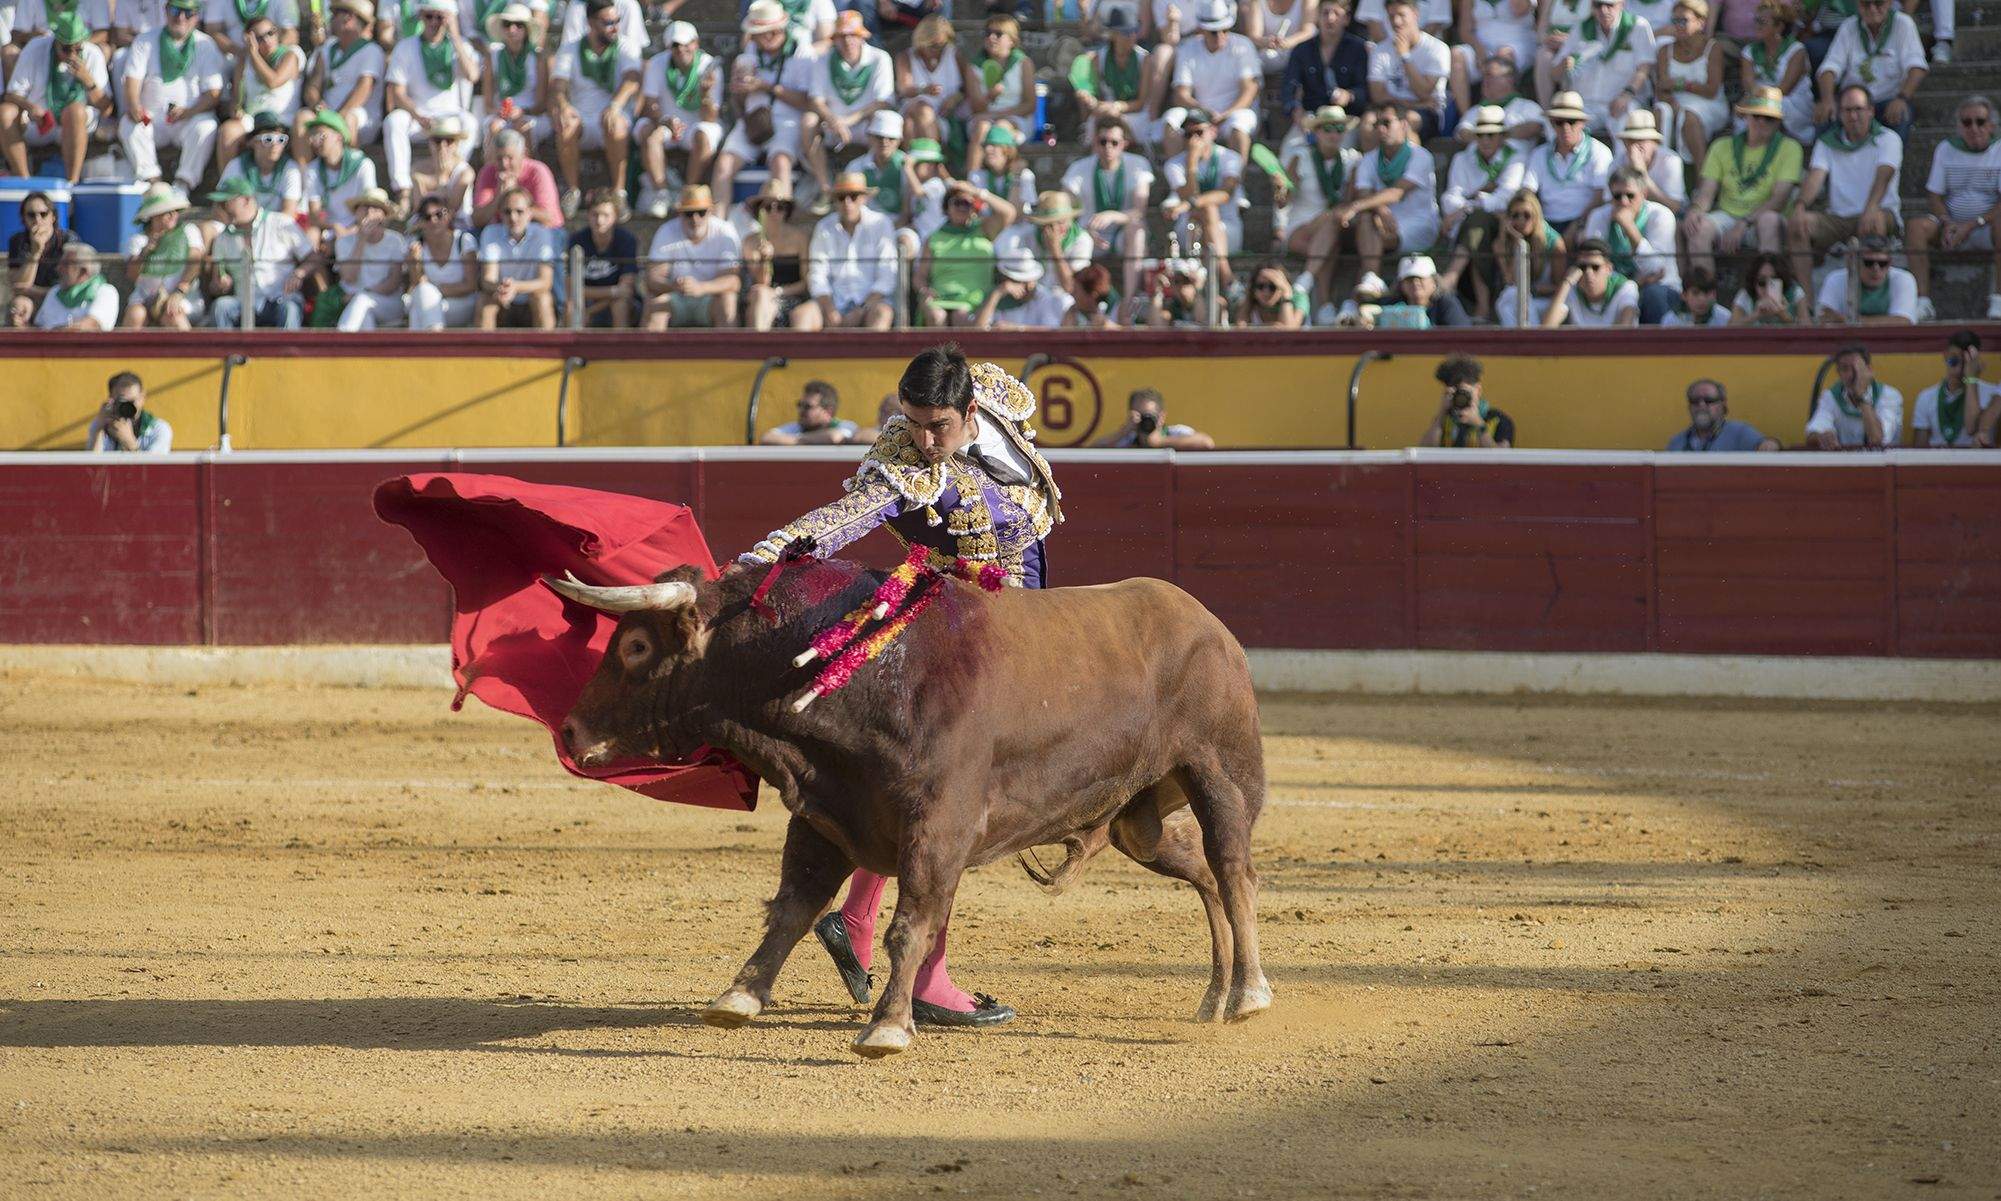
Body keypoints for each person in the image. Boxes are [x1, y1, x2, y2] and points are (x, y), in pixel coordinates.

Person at [747, 346, 1064, 1030]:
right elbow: (847, 516)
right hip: (965, 625)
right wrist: (774, 553)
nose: (924, 440)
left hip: (1019, 605)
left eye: (938, 427)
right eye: (912, 424)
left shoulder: (995, 397)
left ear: (970, 409)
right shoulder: (903, 467)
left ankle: (858, 920)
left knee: (949, 789)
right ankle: (925, 974)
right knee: (955, 793)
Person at [1786, 84, 1900, 291]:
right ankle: (1807, 300)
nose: (1853, 116)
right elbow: (1815, 177)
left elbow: (1884, 175)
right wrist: (1800, 205)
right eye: (1847, 110)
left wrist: (1871, 207)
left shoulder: (1888, 139)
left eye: (1858, 109)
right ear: (1839, 114)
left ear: (1870, 111)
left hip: (1879, 213)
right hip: (1838, 218)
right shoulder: (1827, 142)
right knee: (1797, 224)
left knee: (1875, 221)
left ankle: (1870, 295)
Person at [1680, 86, 1799, 278]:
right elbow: (1706, 193)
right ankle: (1705, 293)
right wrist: (1695, 210)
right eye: (1755, 116)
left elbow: (1779, 200)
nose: (1761, 122)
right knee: (1698, 227)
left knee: (1769, 220)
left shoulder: (1790, 148)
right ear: (1746, 117)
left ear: (1777, 123)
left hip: (1762, 218)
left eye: (1768, 119)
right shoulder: (1722, 146)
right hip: (1728, 214)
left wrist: (1744, 223)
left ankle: (1770, 292)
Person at [711, 0, 813, 221]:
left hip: (788, 121)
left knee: (780, 162)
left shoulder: (802, 52)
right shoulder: (748, 52)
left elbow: (808, 102)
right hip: (753, 121)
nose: (763, 37)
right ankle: (718, 230)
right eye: (759, 32)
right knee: (723, 164)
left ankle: (781, 227)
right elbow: (738, 107)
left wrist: (766, 87)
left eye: (768, 31)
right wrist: (739, 92)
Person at [1905, 96, 2001, 323]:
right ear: (1959, 126)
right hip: (1952, 226)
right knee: (1916, 227)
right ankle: (1922, 302)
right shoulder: (1945, 149)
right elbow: (1935, 195)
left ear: (1991, 126)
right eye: (1967, 122)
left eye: (1980, 121)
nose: (1974, 128)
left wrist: (1973, 223)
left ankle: (1998, 298)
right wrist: (1947, 222)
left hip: (1986, 227)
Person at [380, 0, 478, 212]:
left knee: (470, 122)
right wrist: (417, 115)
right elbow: (397, 92)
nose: (434, 22)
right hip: (419, 117)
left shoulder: (460, 47)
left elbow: (472, 75)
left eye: (440, 17)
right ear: (421, 17)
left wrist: (456, 37)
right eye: (429, 16)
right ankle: (403, 190)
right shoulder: (405, 47)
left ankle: (452, 176)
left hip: (449, 117)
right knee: (393, 121)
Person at [1332, 101, 1437, 299]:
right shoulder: (1369, 159)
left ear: (1404, 125)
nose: (1381, 128)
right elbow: (1364, 192)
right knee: (1366, 218)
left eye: (1387, 123)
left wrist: (1355, 206)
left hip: (1418, 225)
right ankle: (1371, 279)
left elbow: (1397, 192)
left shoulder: (1421, 156)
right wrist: (1379, 209)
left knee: (1365, 218)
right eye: (1377, 124)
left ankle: (1365, 286)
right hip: (1379, 222)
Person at [119, 0, 224, 196]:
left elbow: (214, 93)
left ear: (197, 16)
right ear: (166, 11)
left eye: (188, 12)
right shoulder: (145, 40)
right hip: (152, 119)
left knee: (207, 125)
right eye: (176, 10)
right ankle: (154, 184)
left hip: (187, 120)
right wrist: (134, 105)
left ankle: (182, 186)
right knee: (128, 124)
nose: (181, 17)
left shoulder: (206, 44)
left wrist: (188, 112)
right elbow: (132, 80)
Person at [548, 0, 642, 216]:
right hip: (582, 115)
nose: (615, 27)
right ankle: (573, 191)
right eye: (608, 23)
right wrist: (563, 105)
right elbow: (558, 85)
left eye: (617, 21)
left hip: (614, 114)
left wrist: (615, 105)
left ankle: (619, 193)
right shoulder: (571, 48)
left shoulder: (626, 46)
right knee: (566, 122)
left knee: (616, 124)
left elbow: (633, 79)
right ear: (591, 23)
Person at [0, 11, 110, 185]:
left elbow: (107, 109)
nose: (72, 55)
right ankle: (24, 182)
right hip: (40, 122)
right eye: (66, 49)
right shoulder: (36, 48)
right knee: (5, 112)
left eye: (77, 49)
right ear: (55, 41)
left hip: (77, 125)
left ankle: (71, 185)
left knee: (75, 111)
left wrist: (88, 80)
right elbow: (11, 94)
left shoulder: (92, 54)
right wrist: (30, 107)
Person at [803, 10, 894, 208]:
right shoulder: (823, 60)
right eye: (842, 36)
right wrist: (834, 121)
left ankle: (870, 186)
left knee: (883, 121)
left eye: (852, 35)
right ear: (834, 39)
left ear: (862, 36)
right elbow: (815, 100)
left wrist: (848, 121)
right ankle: (825, 188)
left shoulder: (879, 58)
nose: (847, 41)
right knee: (808, 120)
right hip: (833, 123)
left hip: (864, 123)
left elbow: (884, 101)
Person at [636, 21, 723, 219]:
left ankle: (688, 191)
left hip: (697, 124)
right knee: (650, 134)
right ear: (669, 47)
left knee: (704, 133)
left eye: (687, 44)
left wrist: (705, 93)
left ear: (696, 43)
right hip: (667, 123)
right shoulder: (657, 63)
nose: (682, 49)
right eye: (676, 45)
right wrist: (665, 120)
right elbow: (650, 103)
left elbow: (710, 117)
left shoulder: (710, 66)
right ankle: (661, 192)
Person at [1063, 115, 1154, 300]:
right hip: (1089, 234)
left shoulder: (1138, 165)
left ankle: (1129, 300)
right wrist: (1085, 230)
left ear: (1124, 143)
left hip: (1122, 235)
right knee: (1078, 239)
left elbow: (1139, 211)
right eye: (1102, 142)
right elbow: (1064, 209)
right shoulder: (1079, 168)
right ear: (1095, 143)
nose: (1108, 148)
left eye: (1114, 142)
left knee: (1137, 230)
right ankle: (1077, 300)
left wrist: (1113, 216)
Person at [206, 174, 315, 328]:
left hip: (280, 298)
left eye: (226, 203)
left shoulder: (280, 223)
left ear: (245, 200)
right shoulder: (223, 237)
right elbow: (216, 282)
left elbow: (313, 257)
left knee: (289, 309)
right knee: (221, 307)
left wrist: (299, 273)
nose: (221, 209)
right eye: (220, 204)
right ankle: (229, 352)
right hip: (242, 302)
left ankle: (287, 352)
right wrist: (220, 285)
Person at [1278, 104, 1356, 315]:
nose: (1334, 134)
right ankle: (1322, 301)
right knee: (1331, 228)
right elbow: (1286, 199)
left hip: (1331, 230)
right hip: (1300, 228)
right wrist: (1281, 191)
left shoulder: (1352, 159)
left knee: (1330, 238)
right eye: (1328, 128)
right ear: (1317, 131)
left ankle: (1318, 297)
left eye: (1339, 129)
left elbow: (1349, 202)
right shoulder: (1300, 156)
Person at [799, 171, 896, 330]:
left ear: (865, 198)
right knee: (802, 315)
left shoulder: (881, 224)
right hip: (832, 302)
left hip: (870, 303)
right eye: (841, 197)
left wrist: (861, 310)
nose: (847, 202)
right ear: (834, 200)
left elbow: (887, 279)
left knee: (882, 313)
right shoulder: (824, 227)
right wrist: (830, 310)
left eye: (853, 196)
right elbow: (817, 274)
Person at [1165, 0, 1261, 160]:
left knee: (1240, 122)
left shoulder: (1244, 46)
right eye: (1214, 31)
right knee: (1171, 118)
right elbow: (1181, 95)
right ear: (1202, 30)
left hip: (1233, 113)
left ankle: (1236, 181)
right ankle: (1179, 179)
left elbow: (1250, 90)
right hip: (1199, 115)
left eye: (1225, 29)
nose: (1221, 35)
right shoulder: (1188, 48)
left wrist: (1225, 114)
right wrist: (1204, 113)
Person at [1582, 163, 1678, 322]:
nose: (1623, 202)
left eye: (1630, 195)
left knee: (1653, 294)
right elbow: (1593, 265)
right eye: (1617, 196)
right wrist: (1633, 283)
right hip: (1617, 288)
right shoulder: (1598, 217)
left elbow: (1656, 269)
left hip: (1660, 288)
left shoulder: (1661, 215)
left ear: (1644, 194)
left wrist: (1629, 227)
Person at [1813, 0, 1922, 140]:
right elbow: (1830, 67)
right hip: (1852, 101)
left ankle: (1892, 161)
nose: (1872, 9)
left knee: (1901, 113)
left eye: (1878, 3)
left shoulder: (1903, 23)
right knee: (1825, 115)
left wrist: (1902, 98)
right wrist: (1827, 99)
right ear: (1858, 5)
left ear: (1889, 3)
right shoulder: (1849, 26)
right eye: (1866, 4)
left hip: (1887, 100)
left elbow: (1916, 67)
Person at [643, 184, 742, 330]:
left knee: (728, 300)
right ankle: (648, 353)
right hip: (674, 295)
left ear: (710, 211)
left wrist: (701, 287)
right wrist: (674, 286)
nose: (695, 219)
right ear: (680, 213)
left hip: (711, 297)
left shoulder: (725, 231)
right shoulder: (666, 231)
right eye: (689, 213)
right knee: (655, 303)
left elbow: (733, 281)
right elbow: (652, 279)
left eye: (701, 212)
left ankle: (726, 353)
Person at [1551, 0, 1655, 137]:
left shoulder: (1637, 26)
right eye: (1598, 5)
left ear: (1622, 4)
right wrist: (1564, 65)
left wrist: (1626, 95)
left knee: (1628, 125)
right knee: (1557, 126)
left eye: (1609, 5)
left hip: (1620, 101)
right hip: (1585, 104)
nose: (1603, 10)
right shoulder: (1581, 28)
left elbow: (1644, 69)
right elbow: (1554, 75)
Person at [297, 0, 385, 158]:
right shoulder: (328, 48)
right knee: (302, 117)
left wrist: (336, 118)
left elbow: (363, 89)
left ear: (349, 18)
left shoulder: (372, 50)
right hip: (327, 113)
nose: (331, 19)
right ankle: (305, 175)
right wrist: (316, 104)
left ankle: (352, 170)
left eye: (335, 14)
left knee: (350, 119)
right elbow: (313, 86)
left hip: (359, 116)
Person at [915, 179, 1007, 328]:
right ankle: (937, 352)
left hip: (975, 300)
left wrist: (977, 192)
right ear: (947, 206)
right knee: (936, 316)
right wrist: (924, 291)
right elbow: (920, 276)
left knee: (961, 316)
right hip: (940, 298)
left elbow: (1008, 212)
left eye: (967, 204)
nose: (962, 208)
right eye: (957, 203)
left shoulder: (984, 229)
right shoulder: (933, 238)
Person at [1523, 90, 1613, 237]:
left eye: (1571, 122)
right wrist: (1537, 222)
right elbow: (1527, 192)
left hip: (1584, 222)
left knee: (1587, 237)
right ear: (1552, 124)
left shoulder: (1599, 152)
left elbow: (1601, 196)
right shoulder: (1539, 154)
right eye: (1559, 122)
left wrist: (1578, 224)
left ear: (1582, 123)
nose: (1566, 128)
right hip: (1545, 223)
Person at [1440, 104, 1525, 251]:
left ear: (1502, 136)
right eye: (1480, 135)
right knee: (1476, 221)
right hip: (1465, 224)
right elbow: (1449, 199)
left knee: (1478, 220)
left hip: (1499, 226)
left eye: (1490, 135)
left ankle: (1454, 272)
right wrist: (1478, 202)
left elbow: (1505, 199)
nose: (1485, 140)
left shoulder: (1516, 158)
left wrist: (1467, 206)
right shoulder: (1461, 158)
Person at [122, 184, 206, 329]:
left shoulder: (189, 231)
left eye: (174, 210)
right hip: (144, 299)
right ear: (152, 216)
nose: (173, 215)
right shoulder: (138, 240)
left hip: (184, 299)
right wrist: (145, 252)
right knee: (135, 315)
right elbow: (132, 275)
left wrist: (180, 291)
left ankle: (192, 351)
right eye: (166, 211)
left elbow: (196, 260)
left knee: (173, 315)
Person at [1652, 0, 1723, 171]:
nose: (1677, 25)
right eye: (1674, 21)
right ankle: (1658, 172)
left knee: (1689, 116)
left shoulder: (1713, 48)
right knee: (1660, 111)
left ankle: (1701, 177)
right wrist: (1673, 103)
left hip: (1709, 104)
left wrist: (1681, 84)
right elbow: (1661, 89)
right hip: (1673, 103)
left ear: (1701, 22)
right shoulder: (1664, 50)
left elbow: (1712, 91)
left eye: (1683, 21)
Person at [476, 183, 558, 328]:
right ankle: (483, 351)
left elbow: (546, 282)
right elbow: (487, 280)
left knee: (543, 299)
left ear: (529, 213)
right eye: (507, 212)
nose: (513, 217)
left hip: (530, 298)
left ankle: (548, 350)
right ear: (500, 214)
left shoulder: (542, 233)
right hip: (502, 297)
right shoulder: (490, 232)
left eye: (519, 211)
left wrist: (515, 287)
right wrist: (504, 288)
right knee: (485, 301)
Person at [1069, 7, 1155, 146]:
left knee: (1109, 121)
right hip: (1105, 112)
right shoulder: (1097, 58)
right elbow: (1093, 93)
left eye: (1134, 31)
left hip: (1135, 116)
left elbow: (1141, 103)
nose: (1131, 37)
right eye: (1125, 32)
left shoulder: (1144, 60)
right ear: (1113, 34)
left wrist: (1116, 107)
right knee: (1095, 122)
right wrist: (1089, 99)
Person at [1482, 187, 1567, 324]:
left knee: (1510, 300)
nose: (1521, 221)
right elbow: (1510, 280)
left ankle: (1528, 341)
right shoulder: (1501, 244)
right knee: (1508, 297)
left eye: (1527, 215)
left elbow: (1561, 288)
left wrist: (1531, 290)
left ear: (1536, 217)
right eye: (1515, 216)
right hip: (1521, 300)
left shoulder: (1554, 243)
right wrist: (1517, 242)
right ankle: (1526, 341)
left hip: (1548, 303)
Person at [1366, 0, 1449, 138]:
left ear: (1416, 14)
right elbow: (1378, 96)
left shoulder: (1437, 49)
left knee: (1406, 122)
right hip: (1392, 109)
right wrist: (1416, 104)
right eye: (1391, 16)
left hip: (1428, 115)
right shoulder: (1380, 50)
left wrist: (1405, 56)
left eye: (1401, 15)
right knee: (1368, 123)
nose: (1396, 21)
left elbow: (1423, 91)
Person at [965, 13, 1035, 174]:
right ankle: (972, 182)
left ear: (1012, 40)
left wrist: (999, 114)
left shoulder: (1023, 63)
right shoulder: (973, 66)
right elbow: (976, 107)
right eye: (988, 33)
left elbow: (1030, 105)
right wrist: (990, 96)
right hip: (982, 118)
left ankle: (1005, 181)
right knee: (983, 127)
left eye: (998, 34)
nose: (991, 38)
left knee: (1001, 128)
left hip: (1017, 118)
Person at [331, 186, 409, 329]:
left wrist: (364, 292)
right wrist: (361, 240)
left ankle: (341, 340)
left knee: (362, 300)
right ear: (356, 213)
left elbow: (393, 283)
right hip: (356, 306)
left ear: (384, 216)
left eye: (375, 208)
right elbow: (349, 277)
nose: (369, 212)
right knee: (365, 317)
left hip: (388, 303)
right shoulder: (343, 242)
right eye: (364, 207)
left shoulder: (395, 241)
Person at [1738, 0, 1813, 144]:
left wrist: (1760, 103)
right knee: (1745, 112)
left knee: (1776, 108)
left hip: (1792, 101)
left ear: (1779, 27)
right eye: (1756, 21)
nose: (1757, 26)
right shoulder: (1748, 52)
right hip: (1757, 98)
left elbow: (1784, 89)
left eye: (1762, 22)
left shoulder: (1796, 51)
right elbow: (1748, 84)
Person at [742, 178, 812, 331]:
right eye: (768, 207)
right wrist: (765, 260)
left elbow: (806, 282)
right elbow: (761, 283)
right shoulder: (750, 242)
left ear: (787, 211)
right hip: (761, 300)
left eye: (780, 207)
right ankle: (758, 348)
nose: (774, 212)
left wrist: (778, 292)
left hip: (793, 299)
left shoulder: (800, 238)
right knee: (761, 295)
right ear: (759, 210)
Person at [901, 13, 979, 148]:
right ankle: (931, 162)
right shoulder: (906, 57)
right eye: (933, 45)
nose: (938, 49)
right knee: (922, 109)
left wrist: (955, 99)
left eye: (942, 45)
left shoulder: (955, 54)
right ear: (921, 41)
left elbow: (969, 87)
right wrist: (923, 89)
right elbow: (904, 89)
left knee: (910, 125)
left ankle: (920, 165)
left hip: (946, 116)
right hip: (914, 110)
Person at [406, 188, 480, 329]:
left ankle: (424, 348)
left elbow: (470, 285)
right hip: (433, 304)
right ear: (421, 222)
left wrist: (435, 290)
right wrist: (415, 263)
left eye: (439, 214)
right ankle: (432, 345)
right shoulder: (416, 246)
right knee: (419, 305)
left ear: (449, 215)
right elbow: (417, 284)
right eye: (427, 217)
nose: (433, 220)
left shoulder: (464, 240)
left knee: (422, 301)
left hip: (464, 304)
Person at [1805, 341, 1901, 449]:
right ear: (1839, 373)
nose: (1851, 375)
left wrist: (1862, 395)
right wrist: (1821, 437)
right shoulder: (1830, 397)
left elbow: (1877, 439)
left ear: (1869, 370)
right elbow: (1812, 434)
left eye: (1856, 369)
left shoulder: (1889, 395)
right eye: (1845, 369)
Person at [1909, 330, 1995, 448]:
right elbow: (1919, 448)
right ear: (1945, 356)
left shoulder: (1991, 394)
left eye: (1965, 362)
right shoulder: (1926, 397)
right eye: (1954, 360)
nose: (1959, 369)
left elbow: (1971, 428)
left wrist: (1971, 379)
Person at [302, 106, 379, 236]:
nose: (316, 142)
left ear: (338, 136)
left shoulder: (363, 165)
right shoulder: (312, 169)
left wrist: (349, 231)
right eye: (313, 137)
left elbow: (369, 208)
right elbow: (314, 216)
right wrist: (334, 227)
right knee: (311, 234)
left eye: (321, 136)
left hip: (360, 227)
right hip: (329, 229)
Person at [480, 3, 547, 152]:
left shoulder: (538, 58)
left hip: (530, 114)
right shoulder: (492, 56)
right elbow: (487, 103)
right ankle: (492, 173)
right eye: (507, 24)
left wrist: (522, 112)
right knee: (494, 126)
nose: (512, 29)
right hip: (500, 114)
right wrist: (499, 112)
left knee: (521, 126)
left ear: (527, 29)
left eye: (518, 25)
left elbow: (541, 105)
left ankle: (526, 172)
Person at [1453, 53, 1544, 158]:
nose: (1485, 81)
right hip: (1477, 169)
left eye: (1490, 75)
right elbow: (1463, 133)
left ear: (1509, 79)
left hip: (1516, 166)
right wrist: (1500, 136)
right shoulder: (1476, 110)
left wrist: (1491, 136)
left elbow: (1535, 127)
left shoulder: (1527, 106)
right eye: (1484, 76)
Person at [571, 187, 638, 327]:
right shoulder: (577, 241)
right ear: (588, 215)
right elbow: (572, 289)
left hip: (614, 302)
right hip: (589, 300)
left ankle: (620, 348)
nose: (600, 221)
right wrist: (613, 291)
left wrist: (591, 310)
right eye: (595, 215)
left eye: (606, 215)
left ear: (615, 217)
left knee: (620, 304)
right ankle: (571, 348)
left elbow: (626, 289)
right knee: (570, 307)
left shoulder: (627, 240)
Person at [471, 126, 562, 229]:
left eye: (510, 158)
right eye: (499, 158)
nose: (504, 164)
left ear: (523, 154)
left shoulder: (538, 172)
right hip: (503, 232)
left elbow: (549, 218)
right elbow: (477, 220)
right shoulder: (488, 172)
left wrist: (515, 201)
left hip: (540, 230)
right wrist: (499, 196)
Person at [218, 109, 305, 215]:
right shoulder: (237, 165)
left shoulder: (290, 168)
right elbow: (220, 206)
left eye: (281, 139)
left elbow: (288, 213)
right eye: (268, 139)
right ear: (252, 142)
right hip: (243, 226)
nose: (275, 145)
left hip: (278, 227)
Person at [1815, 234, 1917, 325]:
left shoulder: (1904, 279)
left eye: (1882, 263)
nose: (1876, 269)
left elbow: (1902, 322)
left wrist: (1846, 320)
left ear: (1889, 263)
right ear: (1854, 262)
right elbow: (1825, 316)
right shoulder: (1835, 279)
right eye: (1869, 263)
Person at [1421, 353, 1514, 446]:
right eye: (1455, 392)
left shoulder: (1498, 420)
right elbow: (1425, 451)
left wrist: (1479, 424)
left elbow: (1501, 457)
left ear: (1478, 390)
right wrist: (1441, 412)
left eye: (1464, 391)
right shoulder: (1444, 420)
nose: (1460, 396)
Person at [974, 245, 1075, 329]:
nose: (1026, 287)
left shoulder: (1044, 298)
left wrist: (1017, 329)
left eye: (1029, 280)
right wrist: (998, 293)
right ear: (1006, 279)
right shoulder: (995, 298)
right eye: (1019, 281)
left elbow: (1052, 332)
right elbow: (977, 330)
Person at [1544, 235, 1638, 324]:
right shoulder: (1571, 288)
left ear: (1609, 269)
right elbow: (1547, 328)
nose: (1588, 272)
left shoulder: (1626, 288)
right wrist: (1566, 283)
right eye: (1582, 267)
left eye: (1595, 267)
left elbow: (1626, 332)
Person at [1665, 378, 1779, 450]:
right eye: (1695, 401)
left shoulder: (1740, 433)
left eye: (1708, 400)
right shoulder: (1677, 442)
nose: (1701, 405)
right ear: (1689, 406)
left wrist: (1770, 444)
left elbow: (1768, 447)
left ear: (1722, 404)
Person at [1612, 108, 1684, 216]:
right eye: (1630, 140)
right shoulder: (1617, 162)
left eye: (1641, 140)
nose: (1635, 147)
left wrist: (1641, 173)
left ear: (1655, 142)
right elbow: (1610, 201)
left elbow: (1674, 207)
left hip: (1668, 217)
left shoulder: (1670, 160)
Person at [6, 189, 71, 310]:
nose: (37, 220)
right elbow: (19, 287)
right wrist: (35, 252)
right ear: (24, 218)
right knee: (19, 306)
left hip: (62, 300)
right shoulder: (18, 241)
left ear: (53, 217)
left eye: (43, 214)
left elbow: (71, 287)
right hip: (31, 301)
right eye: (31, 215)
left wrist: (35, 291)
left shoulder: (68, 241)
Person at [35, 243, 121, 332]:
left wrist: (53, 333)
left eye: (65, 264)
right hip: (48, 344)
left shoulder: (106, 292)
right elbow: (38, 327)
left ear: (83, 271)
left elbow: (91, 326)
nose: (58, 268)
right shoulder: (54, 292)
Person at [1094, 386, 1217, 447]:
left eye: (1149, 415)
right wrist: (1123, 431)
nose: (1145, 420)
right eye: (1140, 415)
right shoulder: (1127, 440)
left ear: (1162, 417)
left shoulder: (1175, 433)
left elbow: (1206, 442)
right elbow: (1092, 452)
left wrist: (1162, 441)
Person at [410, 112, 475, 225]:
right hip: (426, 224)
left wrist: (442, 176)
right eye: (438, 140)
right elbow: (419, 208)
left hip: (457, 226)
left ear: (456, 144)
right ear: (430, 142)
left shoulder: (465, 172)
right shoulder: (417, 168)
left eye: (449, 140)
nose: (442, 146)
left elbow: (450, 209)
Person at [87, 372, 175, 453]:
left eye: (132, 402)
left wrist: (130, 442)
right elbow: (92, 466)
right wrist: (98, 430)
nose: (127, 407)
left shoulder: (159, 429)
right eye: (122, 401)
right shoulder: (101, 425)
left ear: (142, 397)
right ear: (111, 399)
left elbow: (154, 468)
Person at [760, 379, 862, 444]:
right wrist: (803, 440)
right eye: (800, 405)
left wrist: (795, 440)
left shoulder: (847, 426)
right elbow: (767, 438)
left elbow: (834, 437)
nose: (801, 410)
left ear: (828, 412)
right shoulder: (797, 427)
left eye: (808, 407)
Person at [1379, 252, 1468, 325]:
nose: (1415, 283)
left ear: (1434, 282)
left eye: (1421, 278)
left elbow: (1462, 336)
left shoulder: (1446, 304)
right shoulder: (1392, 306)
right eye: (1409, 279)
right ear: (1401, 285)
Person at [1730, 249, 1811, 323]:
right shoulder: (1745, 295)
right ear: (1754, 282)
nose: (1767, 288)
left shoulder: (1796, 293)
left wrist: (1784, 316)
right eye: (1762, 282)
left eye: (1773, 282)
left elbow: (1808, 332)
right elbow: (1729, 331)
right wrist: (1756, 315)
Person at [1661, 266, 1728, 325]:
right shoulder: (1670, 320)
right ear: (1684, 295)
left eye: (1707, 293)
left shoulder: (1725, 318)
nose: (1702, 299)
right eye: (1695, 293)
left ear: (1714, 295)